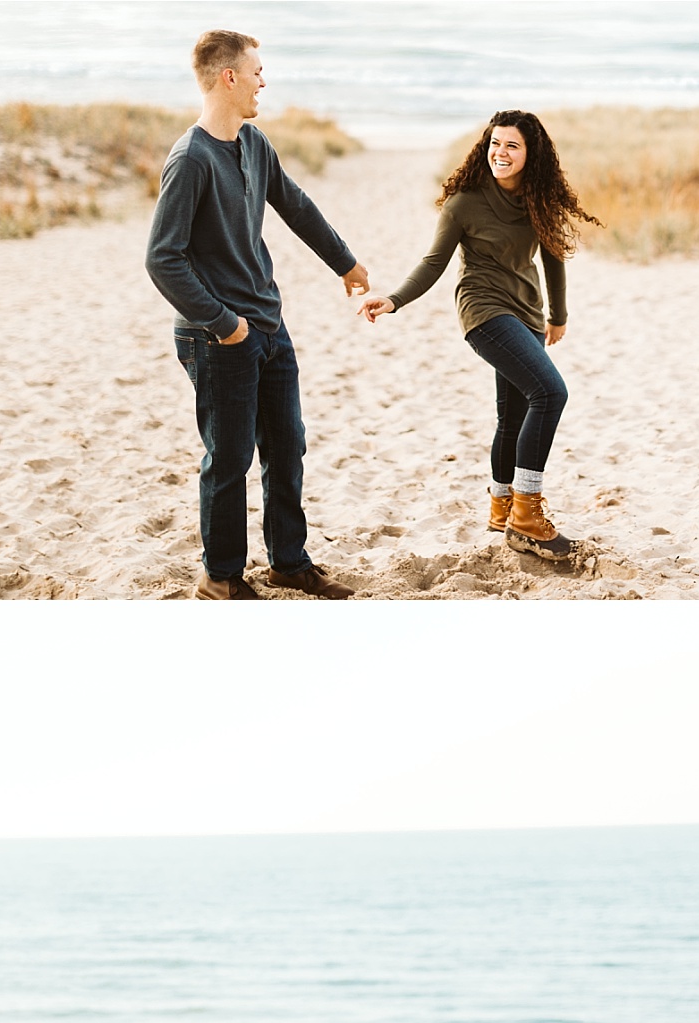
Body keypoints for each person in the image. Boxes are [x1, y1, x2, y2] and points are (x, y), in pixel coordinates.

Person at [146, 29, 369, 600]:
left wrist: (343, 262)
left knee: (287, 444)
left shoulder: (253, 143)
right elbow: (162, 259)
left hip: (269, 324)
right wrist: (224, 325)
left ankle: (289, 563)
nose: (262, 81)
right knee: (229, 459)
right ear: (228, 77)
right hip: (218, 335)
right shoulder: (190, 159)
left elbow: (294, 204)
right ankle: (220, 578)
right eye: (256, 72)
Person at [359, 111, 600, 561]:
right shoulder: (465, 202)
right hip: (483, 310)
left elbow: (553, 259)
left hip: (527, 311)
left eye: (511, 146)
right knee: (549, 393)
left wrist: (557, 314)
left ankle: (502, 508)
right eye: (494, 144)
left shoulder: (538, 198)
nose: (500, 153)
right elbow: (434, 262)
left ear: (531, 154)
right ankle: (527, 515)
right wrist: (394, 299)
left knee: (512, 415)